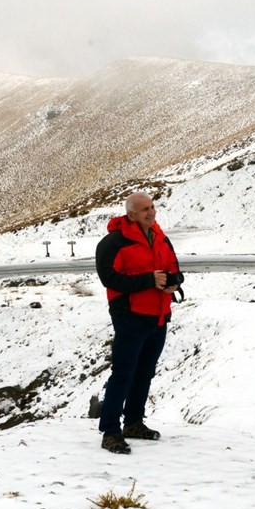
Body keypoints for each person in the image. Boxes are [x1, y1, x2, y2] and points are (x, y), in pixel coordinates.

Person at [95, 191, 183, 454]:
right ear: (131, 214)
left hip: (158, 317)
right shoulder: (114, 242)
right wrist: (149, 280)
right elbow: (109, 279)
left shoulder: (160, 237)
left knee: (144, 372)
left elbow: (176, 269)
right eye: (145, 209)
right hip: (130, 318)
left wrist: (173, 282)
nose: (151, 212)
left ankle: (133, 423)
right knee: (123, 374)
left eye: (152, 207)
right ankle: (110, 431)